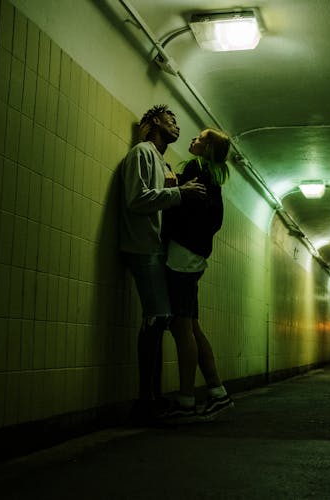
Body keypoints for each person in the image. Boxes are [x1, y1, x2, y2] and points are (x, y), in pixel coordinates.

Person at [119, 104, 206, 423]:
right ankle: (145, 400)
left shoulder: (162, 162)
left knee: (162, 318)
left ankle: (152, 397)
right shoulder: (142, 152)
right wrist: (179, 193)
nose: (177, 126)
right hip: (142, 245)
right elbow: (137, 199)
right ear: (154, 122)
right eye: (171, 119)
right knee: (157, 317)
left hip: (156, 248)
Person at [161, 128, 235, 421]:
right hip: (195, 256)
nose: (193, 139)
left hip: (182, 254)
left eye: (200, 138)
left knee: (181, 328)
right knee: (191, 326)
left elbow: (181, 208)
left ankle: (186, 400)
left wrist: (172, 185)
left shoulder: (195, 169)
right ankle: (217, 393)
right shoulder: (213, 176)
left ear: (208, 149)